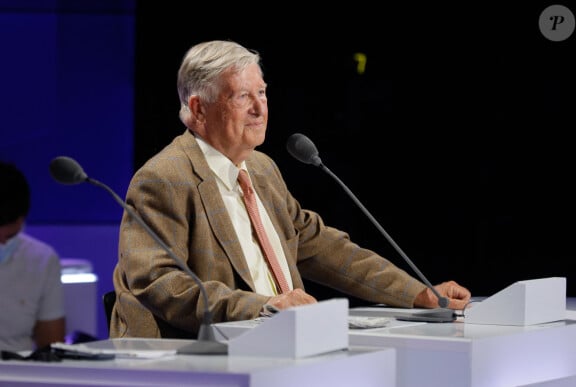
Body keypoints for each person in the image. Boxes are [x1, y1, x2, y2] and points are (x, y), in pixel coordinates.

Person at [110, 40, 471, 339]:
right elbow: (159, 283)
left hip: (284, 346)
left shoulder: (262, 169)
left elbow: (324, 248)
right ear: (198, 108)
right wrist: (264, 308)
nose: (259, 108)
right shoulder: (163, 178)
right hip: (197, 357)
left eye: (262, 93)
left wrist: (417, 293)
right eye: (241, 97)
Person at [0, 161, 66, 351]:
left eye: (9, 236)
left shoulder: (42, 260)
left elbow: (51, 346)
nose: (3, 244)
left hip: (19, 372)